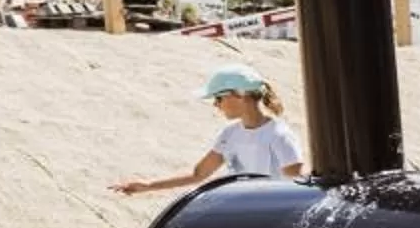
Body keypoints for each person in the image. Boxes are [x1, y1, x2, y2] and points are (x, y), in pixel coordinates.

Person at [111, 64, 307, 195]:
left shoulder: (280, 136)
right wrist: (148, 185)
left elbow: (296, 188)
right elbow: (198, 174)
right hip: (242, 214)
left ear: (240, 94)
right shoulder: (229, 135)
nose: (216, 105)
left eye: (218, 98)